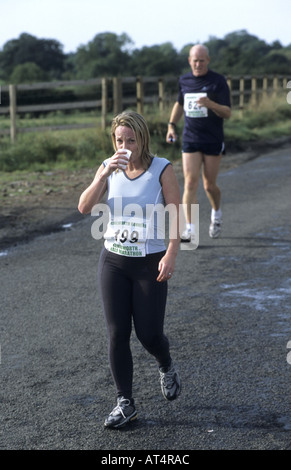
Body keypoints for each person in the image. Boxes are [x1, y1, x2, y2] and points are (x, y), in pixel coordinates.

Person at [78, 111, 181, 429]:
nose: (124, 146)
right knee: (117, 333)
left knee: (149, 334)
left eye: (130, 140)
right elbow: (84, 207)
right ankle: (125, 403)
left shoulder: (161, 169)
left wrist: (171, 254)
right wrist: (102, 175)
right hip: (113, 261)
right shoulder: (109, 168)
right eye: (119, 140)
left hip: (150, 262)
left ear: (142, 139)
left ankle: (165, 363)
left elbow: (178, 216)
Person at [166, 44, 231, 241]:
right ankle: (191, 229)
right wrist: (171, 125)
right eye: (195, 60)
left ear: (208, 61)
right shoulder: (184, 80)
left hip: (212, 139)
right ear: (189, 61)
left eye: (202, 60)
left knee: (209, 185)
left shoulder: (218, 81)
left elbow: (227, 113)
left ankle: (216, 214)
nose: (198, 64)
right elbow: (179, 103)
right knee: (190, 182)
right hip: (191, 138)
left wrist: (211, 104)